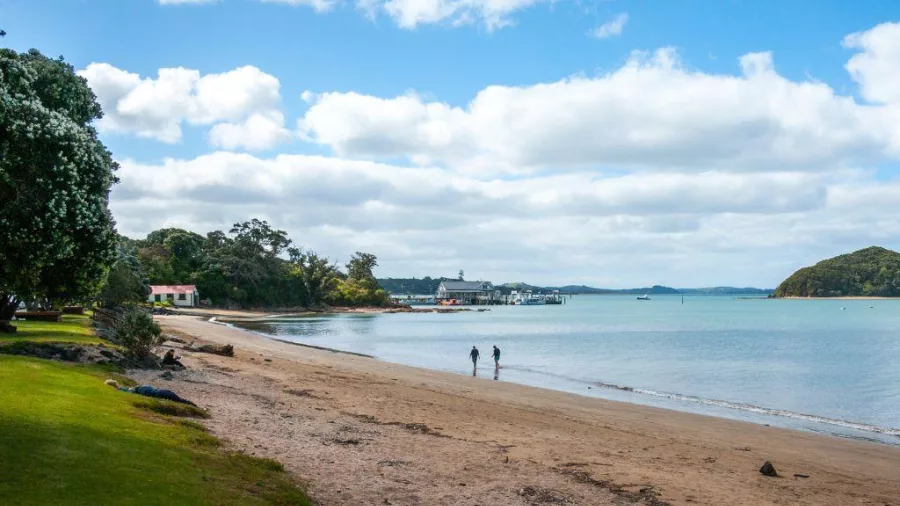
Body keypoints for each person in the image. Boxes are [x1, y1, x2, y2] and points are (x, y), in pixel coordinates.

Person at [105, 379, 197, 406]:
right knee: (180, 401)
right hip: (161, 391)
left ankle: (196, 407)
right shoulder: (129, 389)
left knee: (180, 401)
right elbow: (128, 390)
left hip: (160, 393)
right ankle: (196, 407)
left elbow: (129, 392)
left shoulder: (128, 391)